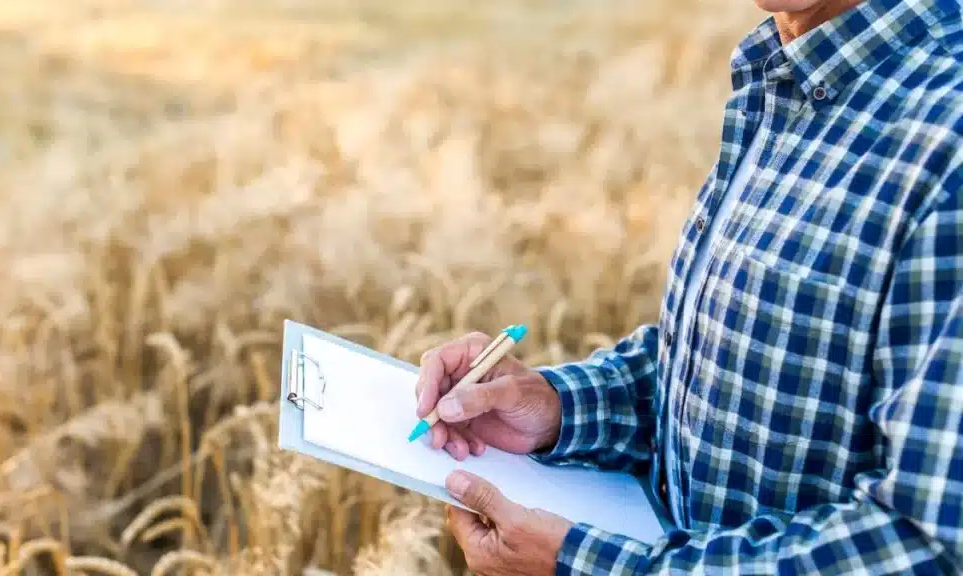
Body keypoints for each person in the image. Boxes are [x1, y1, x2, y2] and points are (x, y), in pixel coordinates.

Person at [413, 0, 963, 574]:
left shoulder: (948, 139)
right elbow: (748, 363)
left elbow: (930, 547)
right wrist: (556, 407)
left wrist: (592, 566)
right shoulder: (788, 72)